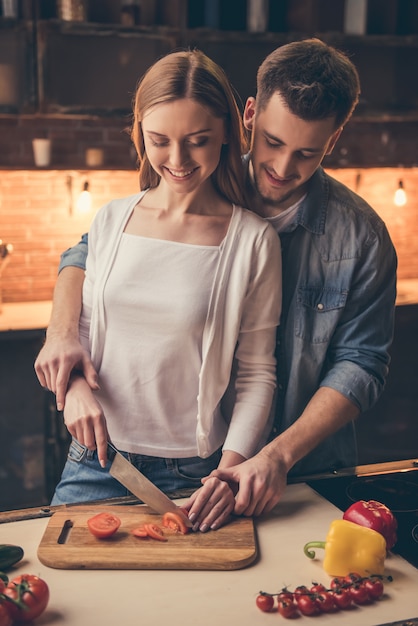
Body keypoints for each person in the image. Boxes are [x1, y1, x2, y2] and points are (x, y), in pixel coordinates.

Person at [35, 38, 397, 523]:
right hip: (126, 458)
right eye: (272, 142)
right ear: (248, 116)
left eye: (307, 153)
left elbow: (361, 364)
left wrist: (272, 455)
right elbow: (85, 256)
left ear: (332, 143)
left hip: (295, 465)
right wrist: (61, 337)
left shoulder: (360, 238)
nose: (282, 167)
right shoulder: (188, 181)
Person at [38, 49, 282, 532]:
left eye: (198, 141)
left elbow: (257, 374)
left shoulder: (253, 240)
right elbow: (79, 334)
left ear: (228, 135)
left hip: (195, 475)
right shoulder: (111, 220)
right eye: (160, 140)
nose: (177, 160)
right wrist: (79, 389)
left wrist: (228, 472)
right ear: (140, 134)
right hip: (96, 461)